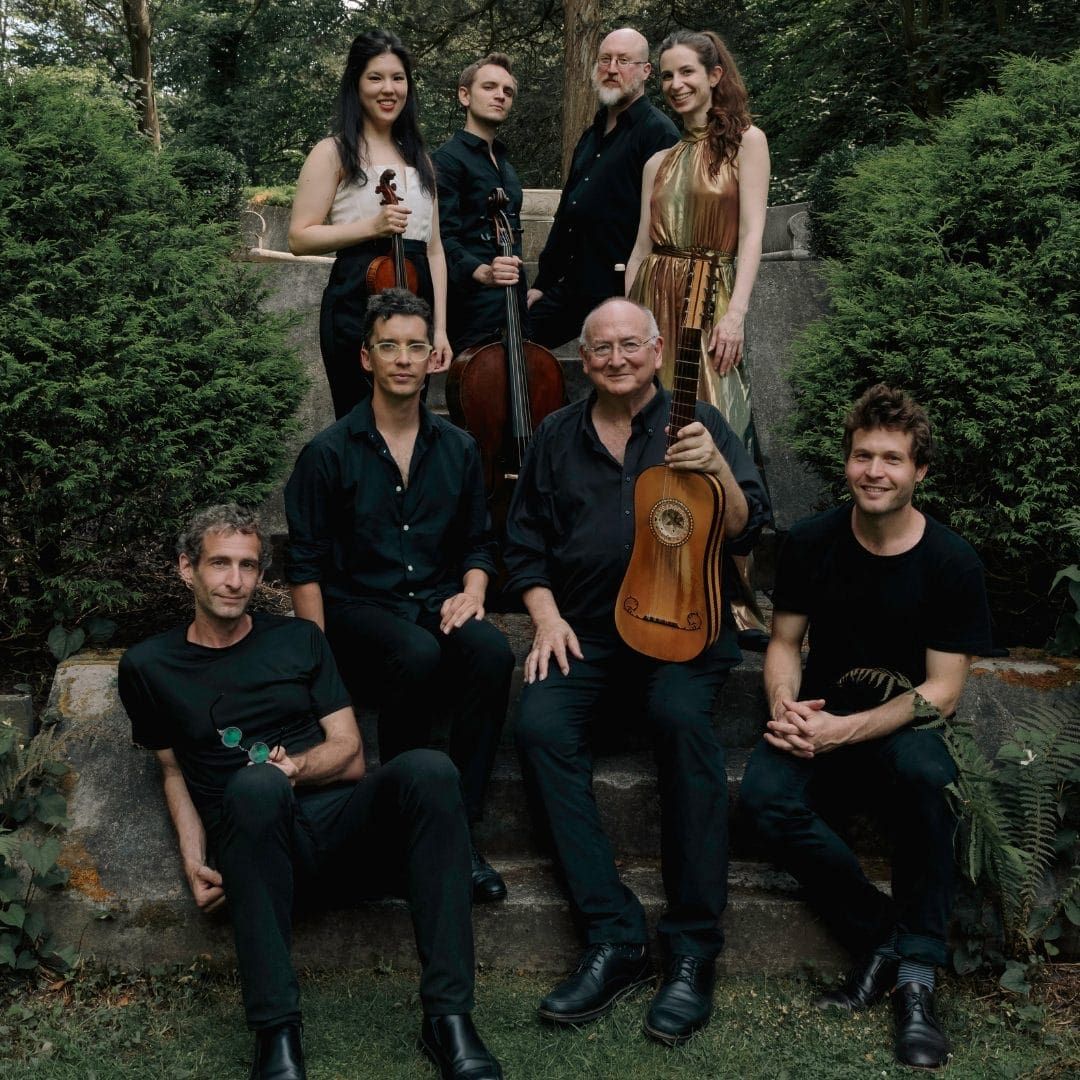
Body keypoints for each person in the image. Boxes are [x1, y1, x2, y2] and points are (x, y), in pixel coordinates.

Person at [118, 504, 503, 1080]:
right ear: (186, 568)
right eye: (220, 563)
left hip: (339, 831)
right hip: (256, 848)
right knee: (254, 786)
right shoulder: (149, 666)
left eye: (248, 566)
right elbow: (173, 772)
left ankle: (449, 1018)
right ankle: (276, 1032)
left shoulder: (299, 639)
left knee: (430, 768)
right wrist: (194, 860)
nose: (234, 580)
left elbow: (349, 753)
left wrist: (294, 767)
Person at [504, 298, 770, 1044]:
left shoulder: (701, 425)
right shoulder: (556, 436)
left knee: (680, 719)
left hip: (686, 628)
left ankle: (692, 948)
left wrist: (717, 470)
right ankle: (613, 936)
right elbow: (523, 546)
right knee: (540, 725)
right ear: (583, 360)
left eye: (630, 345)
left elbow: (751, 525)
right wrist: (546, 617)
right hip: (587, 631)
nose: (616, 359)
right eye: (601, 348)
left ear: (658, 352)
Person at [739, 385, 994, 1070]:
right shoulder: (811, 542)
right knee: (762, 800)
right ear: (847, 461)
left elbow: (942, 693)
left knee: (928, 777)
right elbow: (784, 642)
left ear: (920, 472)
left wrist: (842, 732)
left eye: (891, 459)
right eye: (862, 456)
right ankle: (888, 937)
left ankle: (916, 984)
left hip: (900, 726)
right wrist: (786, 707)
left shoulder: (951, 561)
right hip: (820, 715)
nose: (873, 471)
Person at [285, 288, 514, 905]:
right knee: (416, 652)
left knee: (492, 653)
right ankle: (409, 823)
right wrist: (317, 664)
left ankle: (457, 828)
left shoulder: (458, 447)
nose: (405, 359)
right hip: (359, 610)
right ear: (367, 358)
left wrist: (473, 591)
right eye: (390, 346)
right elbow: (304, 568)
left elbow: (478, 542)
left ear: (434, 358)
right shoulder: (327, 453)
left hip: (434, 599)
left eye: (416, 346)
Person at [626, 29, 771, 648]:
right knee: (651, 436)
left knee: (719, 430)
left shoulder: (747, 142)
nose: (675, 84)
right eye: (666, 75)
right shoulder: (656, 161)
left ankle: (733, 596)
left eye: (686, 72)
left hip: (711, 302)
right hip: (655, 304)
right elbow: (640, 248)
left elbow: (752, 235)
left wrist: (736, 315)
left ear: (715, 75)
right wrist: (628, 324)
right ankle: (656, 575)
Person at [289, 29, 452, 420]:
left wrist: (440, 329)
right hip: (353, 307)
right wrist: (371, 227)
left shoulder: (422, 160)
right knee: (358, 422)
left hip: (416, 312)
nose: (388, 89)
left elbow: (434, 250)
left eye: (398, 78)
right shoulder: (333, 152)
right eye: (375, 77)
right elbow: (299, 237)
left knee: (408, 424)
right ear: (356, 83)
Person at [526, 28, 678, 349]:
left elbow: (663, 225)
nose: (611, 69)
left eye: (623, 61)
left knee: (616, 366)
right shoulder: (591, 134)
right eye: (605, 60)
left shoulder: (658, 133)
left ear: (645, 70)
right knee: (520, 337)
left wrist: (639, 296)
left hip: (621, 288)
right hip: (574, 285)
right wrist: (542, 284)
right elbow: (567, 213)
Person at [432, 53, 530, 355]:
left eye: (507, 91)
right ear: (465, 95)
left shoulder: (506, 167)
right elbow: (441, 239)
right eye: (489, 87)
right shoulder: (446, 161)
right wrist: (483, 272)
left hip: (513, 308)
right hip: (472, 311)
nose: (500, 95)